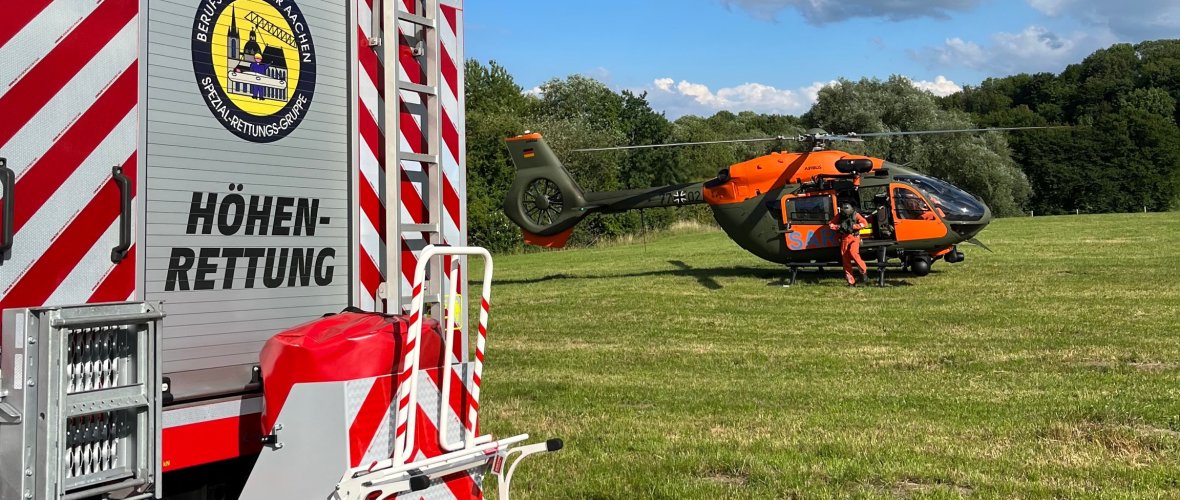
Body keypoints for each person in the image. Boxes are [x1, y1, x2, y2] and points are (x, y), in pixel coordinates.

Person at [829, 202, 869, 286]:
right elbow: (831, 224)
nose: (847, 215)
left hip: (854, 237)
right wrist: (839, 227)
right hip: (844, 238)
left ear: (851, 210)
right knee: (845, 260)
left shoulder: (856, 214)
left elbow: (864, 223)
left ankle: (863, 272)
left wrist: (854, 226)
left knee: (854, 253)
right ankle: (851, 282)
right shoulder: (839, 216)